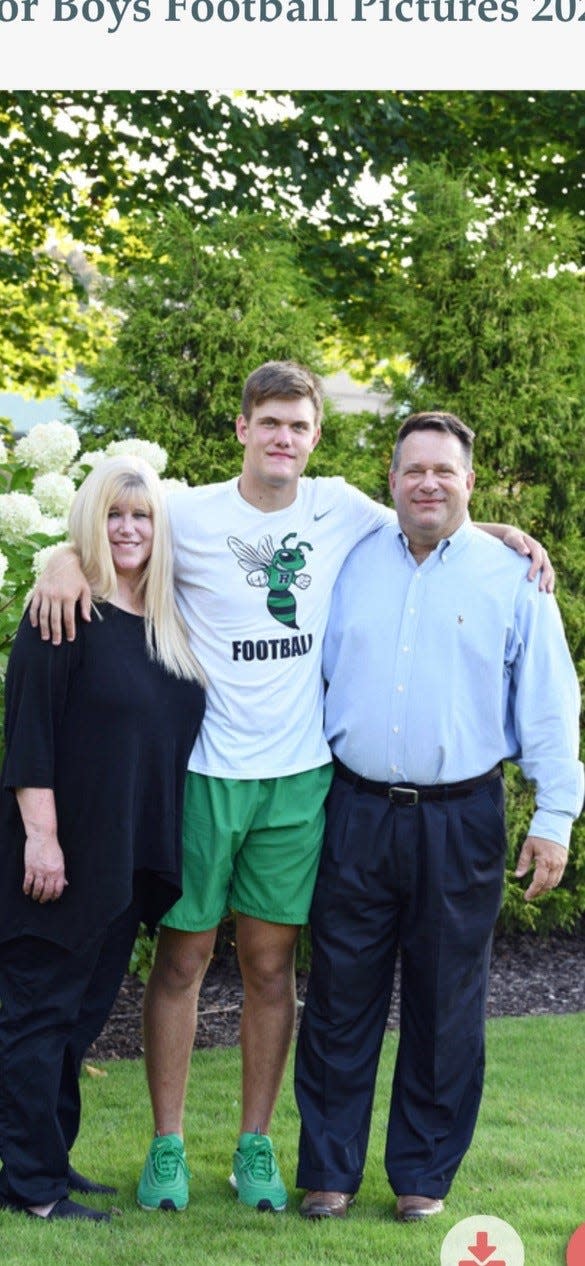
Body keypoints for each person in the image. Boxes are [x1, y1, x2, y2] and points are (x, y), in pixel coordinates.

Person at [28, 364, 553, 1217]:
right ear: (241, 428)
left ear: (314, 437)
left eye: (298, 426)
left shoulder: (342, 508)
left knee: (272, 967)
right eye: (268, 422)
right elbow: (108, 531)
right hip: (203, 775)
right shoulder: (190, 511)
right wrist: (57, 558)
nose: (283, 438)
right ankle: (166, 1148)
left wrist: (502, 531)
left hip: (299, 779)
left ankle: (254, 1148)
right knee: (184, 958)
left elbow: (429, 521)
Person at [294, 411, 584, 1224]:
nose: (427, 482)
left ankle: (421, 1175)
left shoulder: (510, 576)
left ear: (468, 481)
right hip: (352, 809)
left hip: (461, 820)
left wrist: (554, 815)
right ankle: (328, 1172)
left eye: (444, 471)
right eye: (412, 469)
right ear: (389, 480)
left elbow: (550, 707)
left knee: (445, 1004)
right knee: (341, 995)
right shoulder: (345, 559)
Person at [0, 457, 205, 1223]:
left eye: (142, 516)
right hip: (63, 855)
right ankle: (33, 1189)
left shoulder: (163, 618)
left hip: (127, 857)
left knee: (77, 1021)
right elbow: (28, 735)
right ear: (90, 521)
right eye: (114, 515)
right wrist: (41, 840)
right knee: (38, 1016)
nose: (129, 529)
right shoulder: (62, 610)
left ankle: (45, 1157)